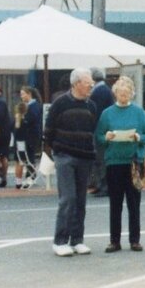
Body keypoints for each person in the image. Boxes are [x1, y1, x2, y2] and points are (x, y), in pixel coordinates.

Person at [95, 76, 145, 252]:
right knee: (115, 203)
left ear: (132, 94)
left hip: (133, 163)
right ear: (115, 94)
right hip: (114, 162)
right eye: (120, 93)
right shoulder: (107, 114)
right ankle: (114, 240)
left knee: (134, 203)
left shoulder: (138, 112)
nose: (123, 96)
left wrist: (138, 137)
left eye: (127, 93)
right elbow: (98, 136)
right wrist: (106, 137)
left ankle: (134, 240)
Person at [43, 68, 97, 256]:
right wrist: (55, 151)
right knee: (68, 198)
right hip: (64, 156)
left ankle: (77, 240)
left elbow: (93, 130)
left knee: (81, 200)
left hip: (84, 157)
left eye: (91, 82)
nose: (91, 85)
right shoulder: (60, 103)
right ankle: (59, 241)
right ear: (76, 84)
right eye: (87, 82)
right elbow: (48, 129)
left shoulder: (91, 106)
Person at [88, 68, 115, 196]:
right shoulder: (104, 90)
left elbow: (96, 112)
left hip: (101, 129)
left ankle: (105, 185)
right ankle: (101, 184)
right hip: (103, 128)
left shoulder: (100, 91)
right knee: (99, 158)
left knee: (101, 158)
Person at [17, 86, 43, 185]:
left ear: (29, 94)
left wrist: (22, 118)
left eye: (23, 94)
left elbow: (30, 119)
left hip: (32, 135)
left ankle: (31, 176)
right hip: (27, 135)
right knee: (27, 156)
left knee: (29, 156)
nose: (21, 96)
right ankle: (30, 175)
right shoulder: (28, 105)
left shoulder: (34, 105)